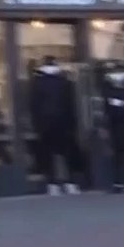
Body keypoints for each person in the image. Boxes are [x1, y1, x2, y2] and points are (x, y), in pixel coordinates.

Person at [28, 56, 87, 195]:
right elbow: (71, 104)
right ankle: (70, 182)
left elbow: (34, 105)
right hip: (63, 122)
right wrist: (73, 124)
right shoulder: (64, 82)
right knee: (66, 153)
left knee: (48, 154)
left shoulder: (37, 83)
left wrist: (36, 124)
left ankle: (52, 183)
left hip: (45, 123)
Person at [98, 62, 124, 193]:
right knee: (116, 156)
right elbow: (106, 109)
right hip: (113, 126)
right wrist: (104, 127)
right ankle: (118, 183)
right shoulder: (107, 89)